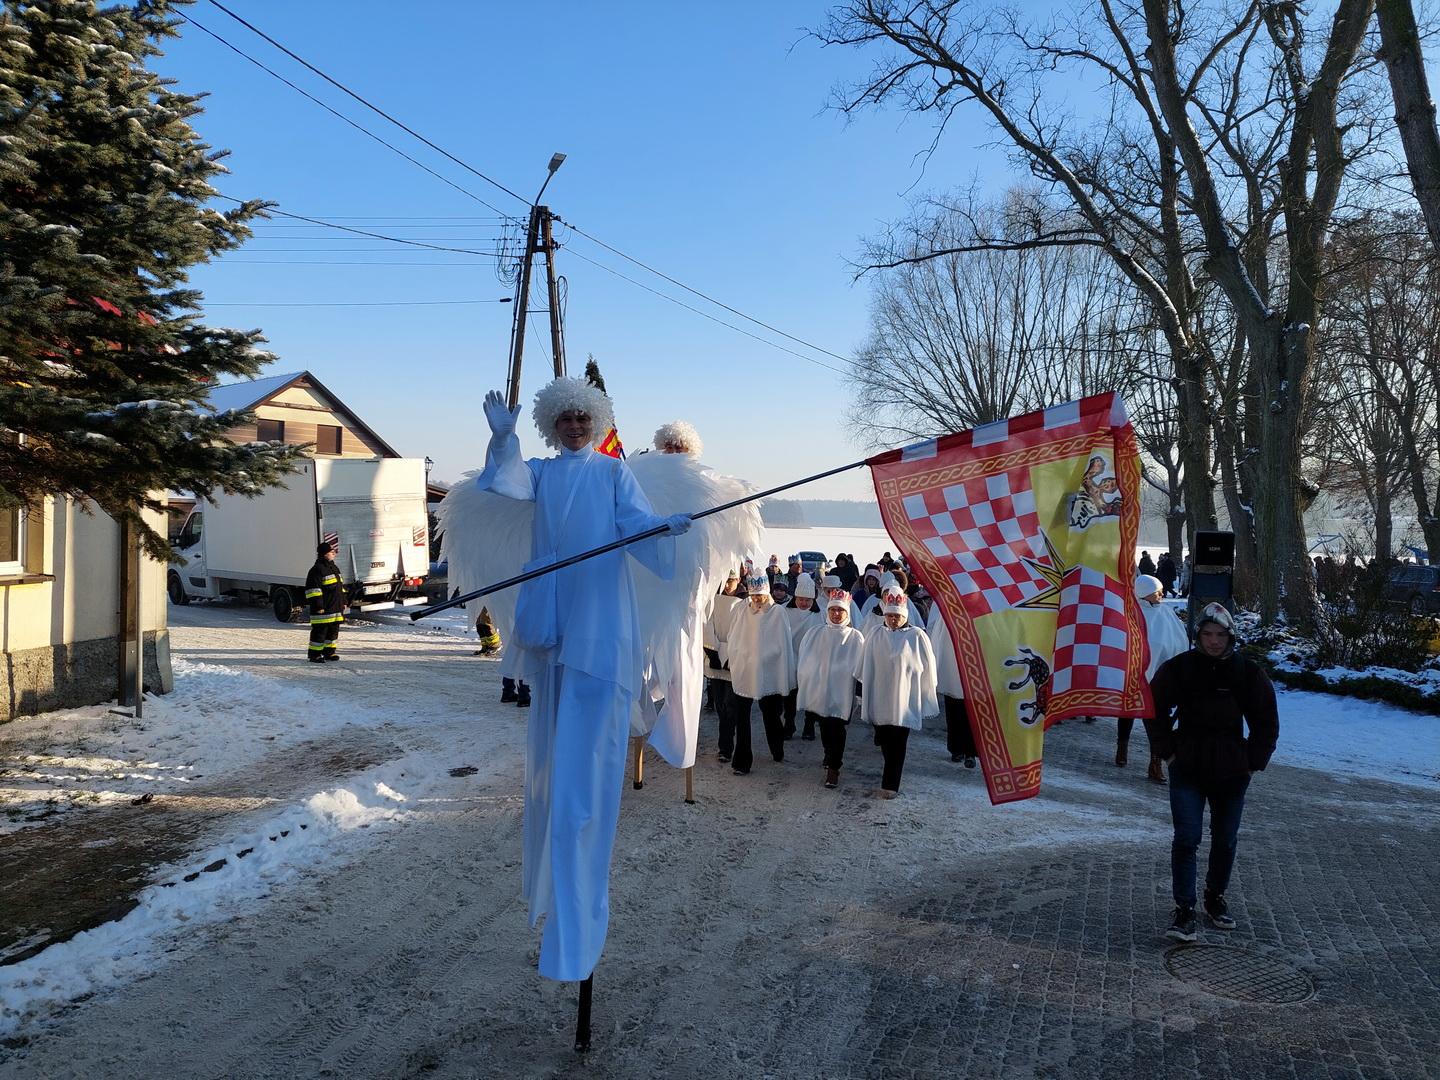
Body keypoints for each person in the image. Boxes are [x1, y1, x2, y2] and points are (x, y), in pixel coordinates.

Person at [476, 381, 691, 984]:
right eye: (565, 418)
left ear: (596, 422)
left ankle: (579, 901)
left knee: (589, 744)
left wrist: (663, 529)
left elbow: (635, 524)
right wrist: (503, 440)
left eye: (582, 418)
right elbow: (506, 482)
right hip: (554, 614)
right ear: (552, 424)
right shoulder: (542, 473)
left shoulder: (613, 472)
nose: (574, 426)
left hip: (597, 613)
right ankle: (553, 885)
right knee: (554, 740)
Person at [1146, 603, 1279, 943]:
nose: (1214, 641)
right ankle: (1184, 908)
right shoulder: (1181, 668)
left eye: (1220, 635)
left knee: (1225, 839)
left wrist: (1253, 761)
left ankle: (1215, 897)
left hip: (1232, 771)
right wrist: (1168, 752)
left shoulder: (1247, 672)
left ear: (1230, 636)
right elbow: (1153, 707)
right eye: (1207, 634)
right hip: (1187, 767)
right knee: (1186, 838)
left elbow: (1266, 720)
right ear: (1198, 635)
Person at [856, 586, 938, 798]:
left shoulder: (916, 636)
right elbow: (864, 664)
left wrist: (925, 693)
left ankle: (890, 784)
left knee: (898, 742)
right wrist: (861, 690)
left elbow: (928, 668)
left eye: (897, 616)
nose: (893, 620)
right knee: (885, 739)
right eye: (890, 615)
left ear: (905, 616)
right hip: (880, 698)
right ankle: (890, 767)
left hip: (904, 700)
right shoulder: (875, 634)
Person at [726, 567, 798, 774]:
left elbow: (783, 644)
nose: (757, 600)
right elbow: (734, 636)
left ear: (767, 593)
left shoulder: (778, 613)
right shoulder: (742, 610)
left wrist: (770, 658)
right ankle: (741, 761)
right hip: (746, 669)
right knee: (742, 718)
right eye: (754, 596)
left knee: (772, 715)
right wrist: (738, 656)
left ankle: (777, 748)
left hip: (769, 671)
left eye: (760, 596)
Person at [1122, 575, 1190, 782]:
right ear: (1143, 594)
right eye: (1156, 592)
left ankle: (1155, 761)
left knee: (1158, 721)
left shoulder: (1167, 614)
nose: (1161, 594)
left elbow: (1179, 641)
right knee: (1127, 713)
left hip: (1161, 681)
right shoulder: (1132, 614)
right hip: (1135, 676)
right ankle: (1121, 748)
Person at [798, 588, 865, 788]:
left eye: (841, 610)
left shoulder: (855, 638)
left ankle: (834, 767)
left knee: (838, 728)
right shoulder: (816, 633)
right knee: (825, 727)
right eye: (833, 610)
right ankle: (829, 754)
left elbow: (862, 667)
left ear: (847, 613)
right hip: (821, 691)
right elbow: (805, 660)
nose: (836, 614)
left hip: (842, 692)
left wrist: (860, 693)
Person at [925, 598, 976, 767]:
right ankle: (956, 748)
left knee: (971, 711)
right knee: (954, 707)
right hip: (951, 663)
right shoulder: (946, 603)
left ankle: (970, 751)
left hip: (973, 665)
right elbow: (934, 629)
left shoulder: (978, 603)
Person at [784, 574, 823, 738]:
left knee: (810, 694)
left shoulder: (819, 614)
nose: (804, 603)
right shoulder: (785, 611)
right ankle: (789, 723)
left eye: (808, 600)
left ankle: (809, 725)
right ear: (795, 598)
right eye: (801, 599)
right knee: (790, 694)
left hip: (811, 659)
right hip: (791, 658)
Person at [304, 535, 344, 663]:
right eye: (332, 552)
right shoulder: (316, 570)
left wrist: (344, 602)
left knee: (333, 632)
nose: (334, 554)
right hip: (323, 610)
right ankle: (314, 655)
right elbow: (313, 591)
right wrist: (318, 606)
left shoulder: (334, 568)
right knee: (319, 633)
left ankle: (329, 652)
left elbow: (339, 588)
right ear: (324, 554)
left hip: (335, 609)